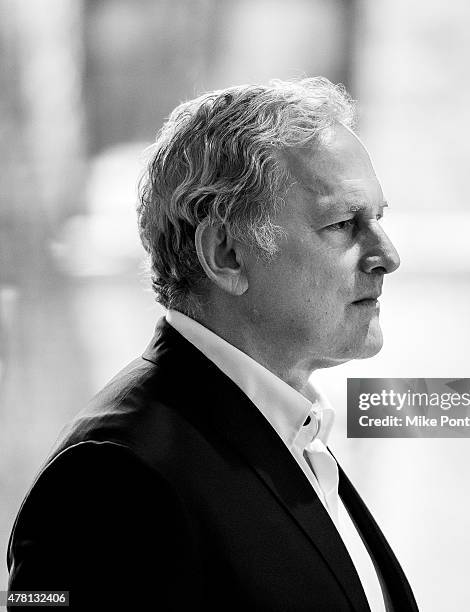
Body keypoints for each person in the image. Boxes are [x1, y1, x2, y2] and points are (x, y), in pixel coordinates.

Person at [7, 77, 418, 611]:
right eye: (342, 223)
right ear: (225, 254)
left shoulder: (290, 432)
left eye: (378, 218)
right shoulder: (112, 478)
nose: (386, 254)